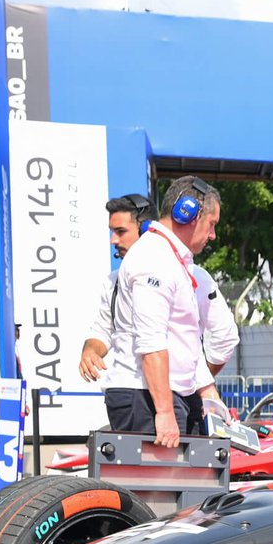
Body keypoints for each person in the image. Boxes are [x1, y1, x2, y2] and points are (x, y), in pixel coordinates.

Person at [86, 178, 223, 446]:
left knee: (187, 486)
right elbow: (152, 342)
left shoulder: (170, 258)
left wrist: (206, 391)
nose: (212, 235)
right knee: (156, 488)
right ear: (187, 212)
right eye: (212, 224)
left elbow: (183, 340)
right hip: (147, 399)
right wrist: (164, 412)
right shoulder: (154, 259)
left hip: (164, 396)